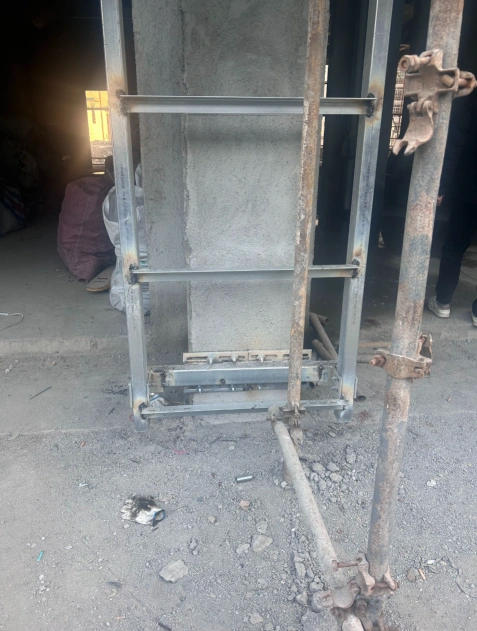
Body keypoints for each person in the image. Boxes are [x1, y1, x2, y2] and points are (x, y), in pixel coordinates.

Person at [428, 89, 477, 326]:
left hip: (467, 188)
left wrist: (442, 186)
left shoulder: (469, 102)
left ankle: (443, 302)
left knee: (454, 246)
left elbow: (453, 147)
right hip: (467, 188)